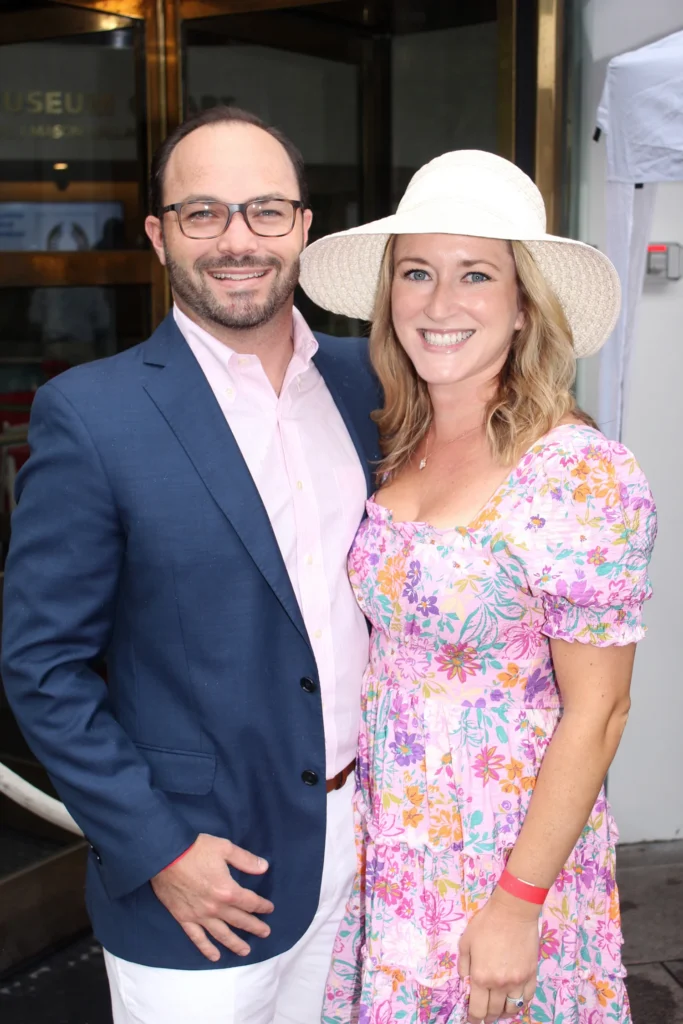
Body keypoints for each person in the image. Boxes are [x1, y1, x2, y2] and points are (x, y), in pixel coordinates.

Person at [1, 106, 380, 1024]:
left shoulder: (373, 381)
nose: (236, 240)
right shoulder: (91, 414)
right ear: (158, 234)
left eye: (265, 211)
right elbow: (42, 666)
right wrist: (159, 848)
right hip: (203, 882)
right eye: (202, 212)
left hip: (374, 849)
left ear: (303, 226)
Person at [299, 150, 657, 1024]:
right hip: (394, 850)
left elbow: (600, 711)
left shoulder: (578, 473)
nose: (439, 303)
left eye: (475, 274)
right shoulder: (400, 443)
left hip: (501, 857)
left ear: (523, 303)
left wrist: (518, 903)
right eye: (416, 272)